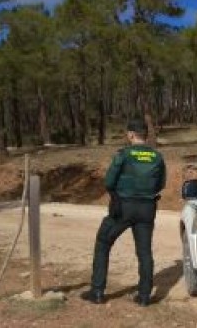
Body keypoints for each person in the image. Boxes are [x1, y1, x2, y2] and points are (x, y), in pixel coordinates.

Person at [81, 118, 166, 307]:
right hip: (147, 209)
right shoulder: (157, 156)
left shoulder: (123, 154)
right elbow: (161, 184)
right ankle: (144, 296)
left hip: (123, 208)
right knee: (144, 252)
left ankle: (97, 291)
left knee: (103, 242)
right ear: (145, 135)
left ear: (131, 135)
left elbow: (109, 182)